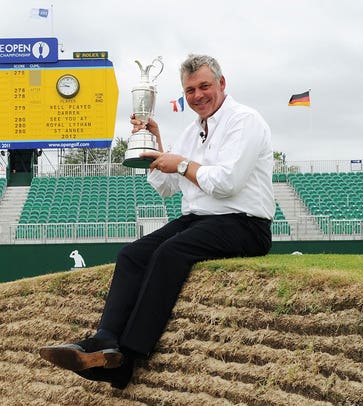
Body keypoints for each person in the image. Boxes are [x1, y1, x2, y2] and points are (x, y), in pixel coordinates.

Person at [39, 54, 275, 390]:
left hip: (245, 224)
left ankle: (127, 359)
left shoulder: (245, 120)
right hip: (200, 219)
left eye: (204, 86)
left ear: (222, 84)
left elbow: (226, 184)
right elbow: (166, 187)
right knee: (132, 254)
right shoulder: (194, 131)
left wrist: (180, 164)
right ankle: (104, 340)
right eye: (190, 90)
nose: (198, 95)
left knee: (170, 253)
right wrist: (155, 149)